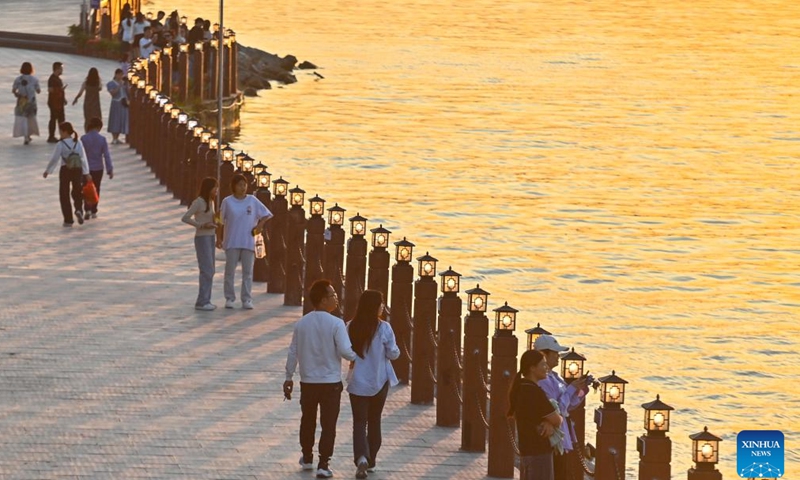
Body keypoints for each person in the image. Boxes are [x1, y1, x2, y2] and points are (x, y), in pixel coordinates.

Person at [284, 279, 358, 479]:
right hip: (330, 383)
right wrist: (357, 357)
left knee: (307, 420)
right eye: (333, 295)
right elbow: (344, 350)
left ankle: (307, 456)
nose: (336, 298)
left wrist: (288, 377)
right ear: (324, 300)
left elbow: (293, 352)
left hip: (308, 382)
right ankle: (323, 463)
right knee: (328, 424)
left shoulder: (302, 323)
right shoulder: (336, 323)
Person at [346, 290, 399, 478]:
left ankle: (361, 457)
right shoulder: (384, 328)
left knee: (359, 422)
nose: (383, 306)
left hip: (357, 382)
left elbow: (346, 351)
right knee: (374, 420)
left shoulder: (350, 326)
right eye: (381, 303)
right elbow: (393, 353)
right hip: (379, 381)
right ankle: (372, 460)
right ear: (375, 306)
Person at [534, 335, 590, 480]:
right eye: (555, 353)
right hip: (554, 439)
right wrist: (571, 389)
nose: (558, 356)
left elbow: (569, 405)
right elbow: (556, 408)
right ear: (544, 355)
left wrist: (582, 389)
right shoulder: (543, 380)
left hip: (564, 438)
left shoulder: (555, 377)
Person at [216, 174, 272, 309]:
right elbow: (219, 220)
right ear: (234, 186)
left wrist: (259, 226)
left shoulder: (252, 200)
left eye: (244, 185)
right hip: (232, 241)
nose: (243, 187)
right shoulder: (227, 201)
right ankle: (229, 298)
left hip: (248, 241)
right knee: (230, 271)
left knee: (248, 272)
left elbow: (267, 214)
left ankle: (246, 299)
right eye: (240, 185)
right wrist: (218, 237)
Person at [508, 349, 563, 480]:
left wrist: (547, 422)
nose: (547, 368)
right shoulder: (534, 392)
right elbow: (558, 420)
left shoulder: (521, 387)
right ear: (532, 368)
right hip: (539, 452)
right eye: (543, 364)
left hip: (527, 450)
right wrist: (551, 421)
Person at [182, 178, 219, 311]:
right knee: (206, 269)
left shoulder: (211, 202)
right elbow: (185, 217)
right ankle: (202, 301)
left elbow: (213, 218)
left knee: (211, 270)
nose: (216, 190)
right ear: (208, 188)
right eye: (215, 187)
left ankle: (205, 299)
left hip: (210, 237)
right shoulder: (198, 202)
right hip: (202, 238)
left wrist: (217, 220)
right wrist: (201, 225)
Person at [43, 122, 90, 227]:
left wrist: (48, 171)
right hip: (77, 169)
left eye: (60, 131)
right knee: (78, 191)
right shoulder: (78, 142)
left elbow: (54, 159)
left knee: (64, 194)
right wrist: (86, 172)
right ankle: (79, 209)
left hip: (65, 170)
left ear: (64, 132)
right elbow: (83, 158)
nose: (60, 134)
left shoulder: (60, 144)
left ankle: (68, 219)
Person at [79, 117, 113, 219]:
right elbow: (106, 155)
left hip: (86, 168)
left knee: (85, 188)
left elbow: (80, 155)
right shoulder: (102, 139)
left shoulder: (83, 138)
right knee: (96, 188)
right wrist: (109, 169)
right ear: (99, 127)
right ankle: (94, 209)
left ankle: (87, 208)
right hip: (98, 168)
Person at [12, 62, 41, 145]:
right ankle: (28, 135)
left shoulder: (18, 79)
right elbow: (38, 91)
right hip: (31, 102)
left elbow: (14, 91)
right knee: (30, 119)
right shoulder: (34, 79)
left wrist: (19, 94)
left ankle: (25, 137)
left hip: (21, 102)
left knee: (23, 119)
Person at [107, 69, 129, 144]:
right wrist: (119, 86)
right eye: (119, 74)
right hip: (116, 103)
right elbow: (113, 93)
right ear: (116, 74)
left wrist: (127, 84)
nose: (120, 76)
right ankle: (114, 138)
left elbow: (128, 92)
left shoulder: (124, 83)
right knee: (115, 119)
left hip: (123, 103)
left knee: (121, 120)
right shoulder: (111, 83)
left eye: (121, 75)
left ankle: (117, 137)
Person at [46, 62, 66, 143]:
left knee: (61, 119)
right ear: (57, 69)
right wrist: (60, 90)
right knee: (53, 119)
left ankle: (63, 135)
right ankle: (51, 136)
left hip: (59, 102)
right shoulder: (52, 79)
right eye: (61, 68)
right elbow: (50, 90)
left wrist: (63, 99)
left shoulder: (58, 79)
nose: (62, 70)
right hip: (54, 102)